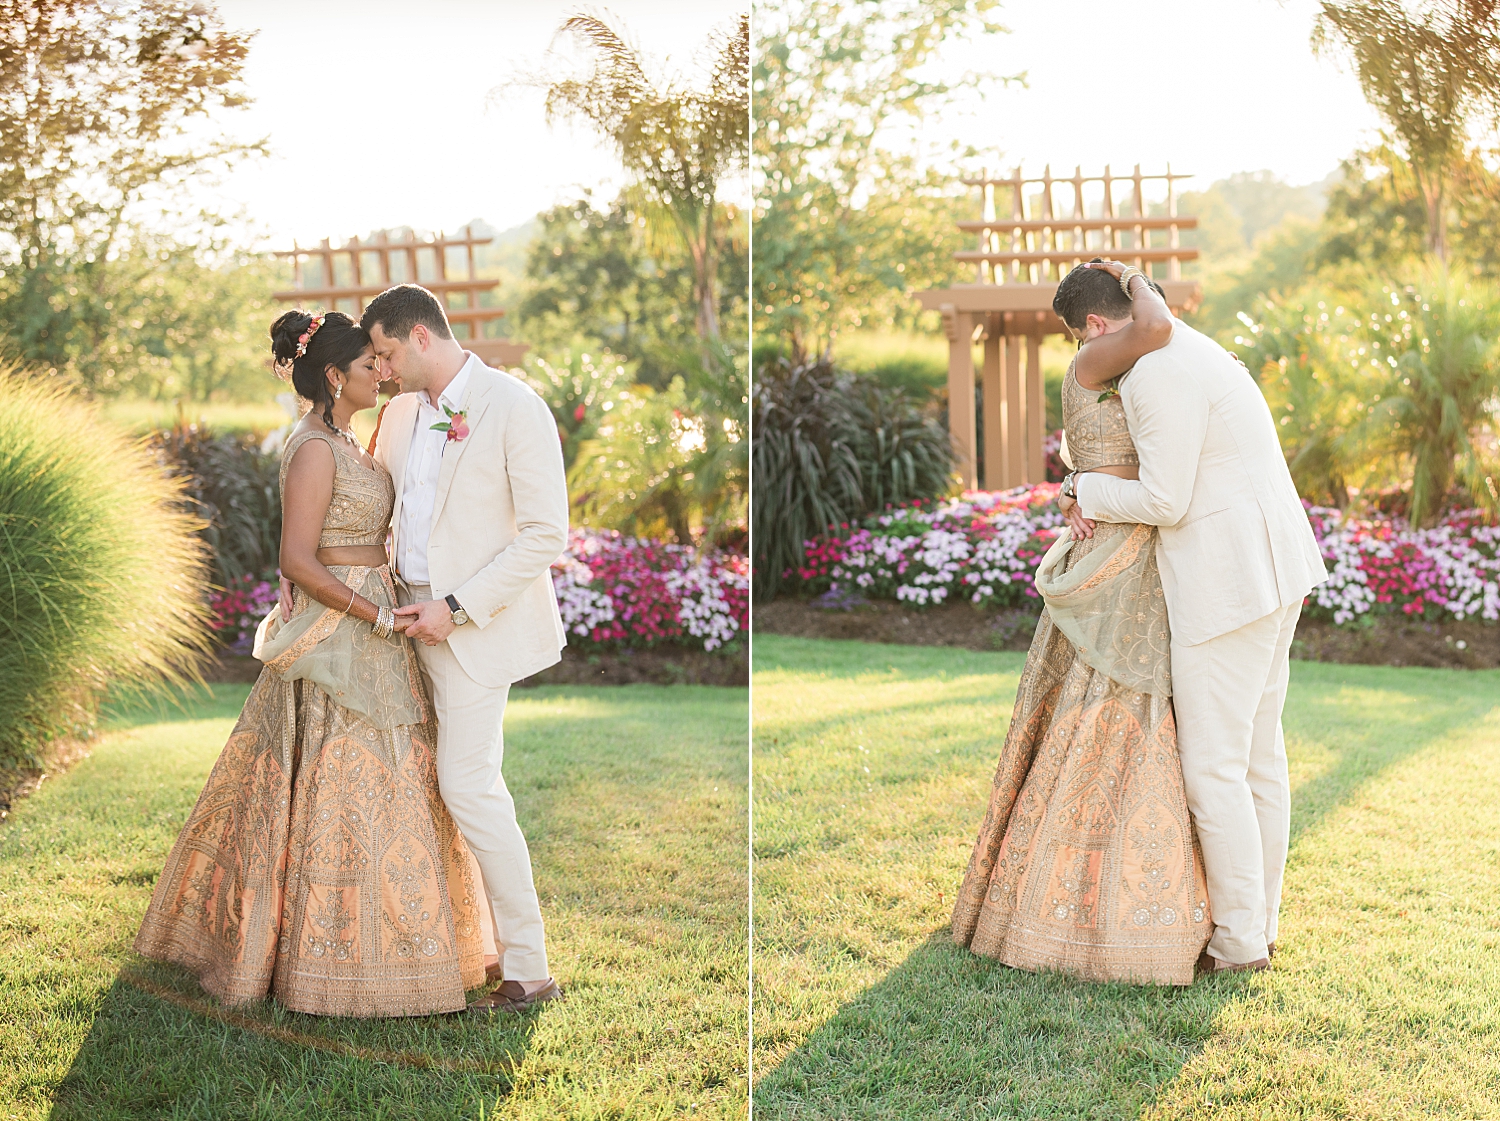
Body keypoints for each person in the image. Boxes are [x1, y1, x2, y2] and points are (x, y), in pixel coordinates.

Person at [135, 310, 488, 1016]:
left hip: (377, 616)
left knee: (396, 775)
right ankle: (317, 952)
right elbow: (297, 556)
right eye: (368, 366)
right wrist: (376, 614)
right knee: (331, 781)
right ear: (335, 375)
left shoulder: (353, 438)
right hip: (342, 628)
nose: (381, 372)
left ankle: (408, 943)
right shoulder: (314, 449)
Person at [1056, 260, 1327, 975]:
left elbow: (1166, 499)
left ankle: (1239, 943)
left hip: (1229, 581)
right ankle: (1257, 927)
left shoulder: (1154, 372)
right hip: (1273, 568)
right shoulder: (1192, 346)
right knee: (1258, 757)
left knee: (1215, 769)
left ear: (1094, 326)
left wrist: (1084, 488)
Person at [951, 259, 1213, 985]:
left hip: (1122, 543)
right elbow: (1157, 325)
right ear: (1101, 325)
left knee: (1111, 708)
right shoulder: (1095, 355)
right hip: (1120, 550)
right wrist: (1136, 278)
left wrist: (1076, 484)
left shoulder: (1121, 370)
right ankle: (1076, 915)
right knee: (1109, 707)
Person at [360, 283, 569, 1015]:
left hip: (474, 629)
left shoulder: (515, 406)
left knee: (468, 786)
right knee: (411, 788)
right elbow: (368, 504)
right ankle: (443, 949)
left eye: (384, 352)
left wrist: (455, 608)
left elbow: (547, 534)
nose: (379, 369)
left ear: (420, 336)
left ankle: (531, 967)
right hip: (395, 629)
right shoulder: (396, 415)